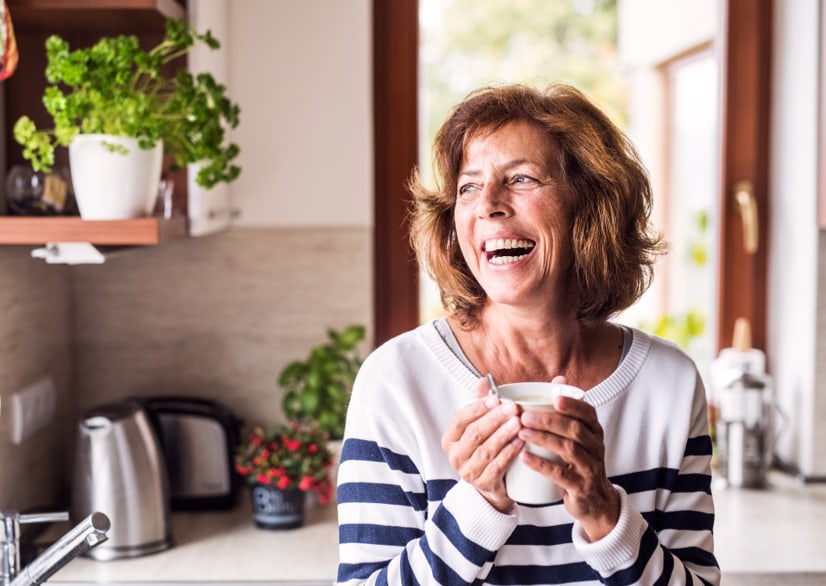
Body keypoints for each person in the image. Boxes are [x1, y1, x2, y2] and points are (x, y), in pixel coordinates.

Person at [336, 83, 719, 585]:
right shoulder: (395, 382)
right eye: (468, 186)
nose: (488, 204)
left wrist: (605, 515)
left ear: (589, 207)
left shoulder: (668, 386)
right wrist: (478, 506)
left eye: (520, 179)